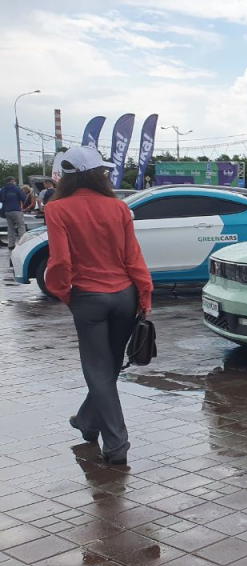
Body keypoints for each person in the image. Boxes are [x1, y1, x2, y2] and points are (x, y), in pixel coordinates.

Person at [45, 146, 154, 466]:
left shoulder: (57, 209)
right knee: (108, 369)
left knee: (98, 372)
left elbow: (60, 261)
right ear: (96, 175)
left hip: (88, 299)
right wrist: (144, 294)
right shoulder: (118, 207)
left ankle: (117, 445)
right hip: (125, 297)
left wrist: (64, 293)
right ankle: (87, 422)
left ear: (67, 177)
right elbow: (133, 256)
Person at [2, 176, 28, 250]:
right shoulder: (17, 188)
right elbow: (23, 198)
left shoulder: (3, 189)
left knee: (10, 228)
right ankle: (22, 243)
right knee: (21, 226)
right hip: (16, 210)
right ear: (12, 181)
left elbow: (1, 199)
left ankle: (11, 244)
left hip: (7, 211)